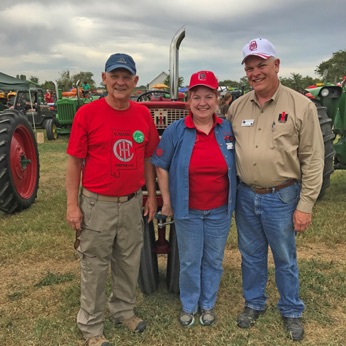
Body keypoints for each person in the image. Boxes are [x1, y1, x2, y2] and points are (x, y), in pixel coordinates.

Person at [227, 38, 324, 341]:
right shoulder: (236, 107)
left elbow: (313, 158)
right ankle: (254, 303)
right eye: (250, 68)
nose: (255, 72)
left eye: (261, 65)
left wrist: (305, 204)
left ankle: (291, 310)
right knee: (251, 255)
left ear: (276, 65)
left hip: (282, 196)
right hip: (245, 195)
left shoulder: (301, 106)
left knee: (284, 256)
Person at [66, 53, 160, 346]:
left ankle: (122, 310)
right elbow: (74, 162)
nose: (120, 82)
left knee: (129, 260)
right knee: (94, 266)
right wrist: (73, 205)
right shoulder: (87, 114)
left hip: (132, 201)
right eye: (114, 76)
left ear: (135, 81)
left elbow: (147, 157)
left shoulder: (142, 114)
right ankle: (91, 327)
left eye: (126, 77)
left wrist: (151, 194)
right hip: (97, 203)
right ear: (104, 79)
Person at [151, 70, 237, 327]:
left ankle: (208, 304)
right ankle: (189, 304)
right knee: (190, 260)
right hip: (188, 209)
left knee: (214, 259)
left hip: (220, 209)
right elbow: (161, 165)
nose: (202, 102)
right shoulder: (177, 130)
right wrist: (166, 201)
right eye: (196, 96)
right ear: (188, 99)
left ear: (217, 99)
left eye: (208, 96)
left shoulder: (227, 130)